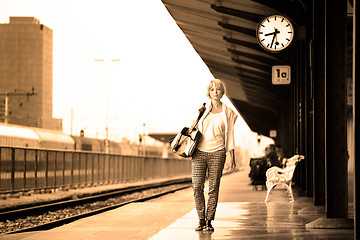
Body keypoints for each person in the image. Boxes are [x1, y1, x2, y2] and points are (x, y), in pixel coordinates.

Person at [191, 79, 238, 232]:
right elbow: (194, 129)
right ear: (209, 92)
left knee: (213, 188)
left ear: (222, 92)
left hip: (218, 153)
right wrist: (195, 121)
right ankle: (200, 219)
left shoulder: (228, 112)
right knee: (197, 186)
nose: (215, 92)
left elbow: (230, 136)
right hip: (199, 152)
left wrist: (232, 157)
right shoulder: (203, 110)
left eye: (218, 89)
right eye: (212, 89)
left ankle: (209, 221)